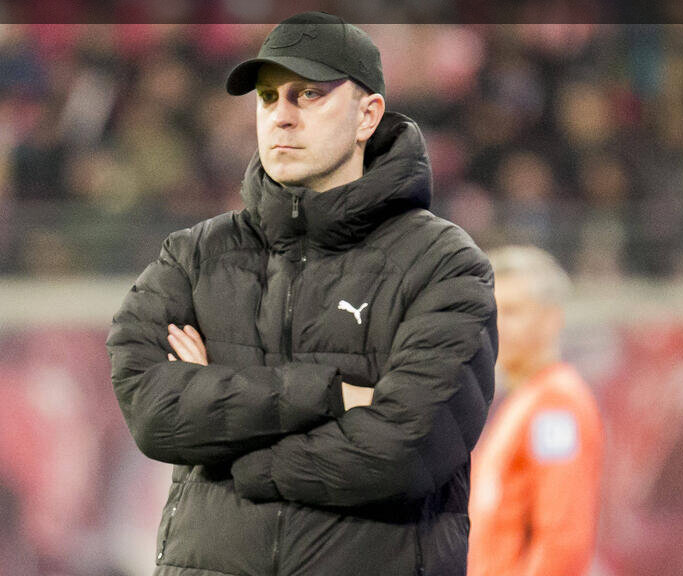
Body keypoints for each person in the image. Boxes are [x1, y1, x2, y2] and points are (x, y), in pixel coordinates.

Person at [106, 11, 497, 576]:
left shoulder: (444, 267)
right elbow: (154, 412)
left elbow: (405, 450)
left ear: (368, 116)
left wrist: (232, 450)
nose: (281, 116)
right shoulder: (193, 258)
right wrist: (331, 394)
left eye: (308, 94)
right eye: (268, 97)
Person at [468, 245, 603, 576]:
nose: (497, 327)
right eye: (492, 313)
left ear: (551, 319)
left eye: (513, 312)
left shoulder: (556, 407)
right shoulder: (525, 401)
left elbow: (562, 539)